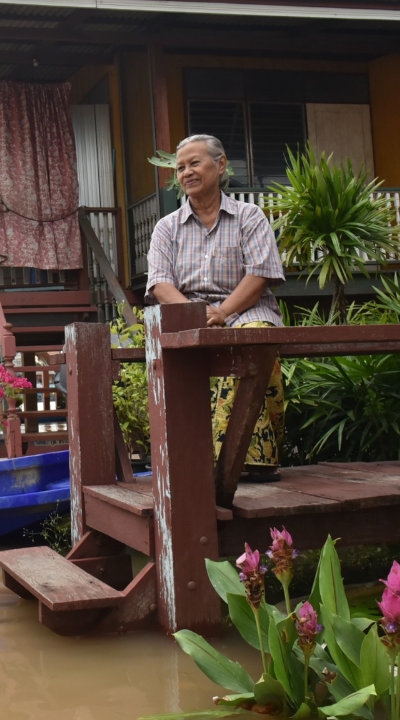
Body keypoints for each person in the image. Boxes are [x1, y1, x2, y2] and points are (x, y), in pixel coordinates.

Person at [145, 134, 287, 482]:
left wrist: (222, 313)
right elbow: (161, 284)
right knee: (210, 347)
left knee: (251, 341)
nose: (186, 172)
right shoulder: (167, 228)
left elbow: (259, 275)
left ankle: (237, 460)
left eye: (194, 163)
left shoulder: (249, 217)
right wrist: (199, 316)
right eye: (180, 167)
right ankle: (252, 460)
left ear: (220, 165)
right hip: (190, 315)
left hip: (247, 311)